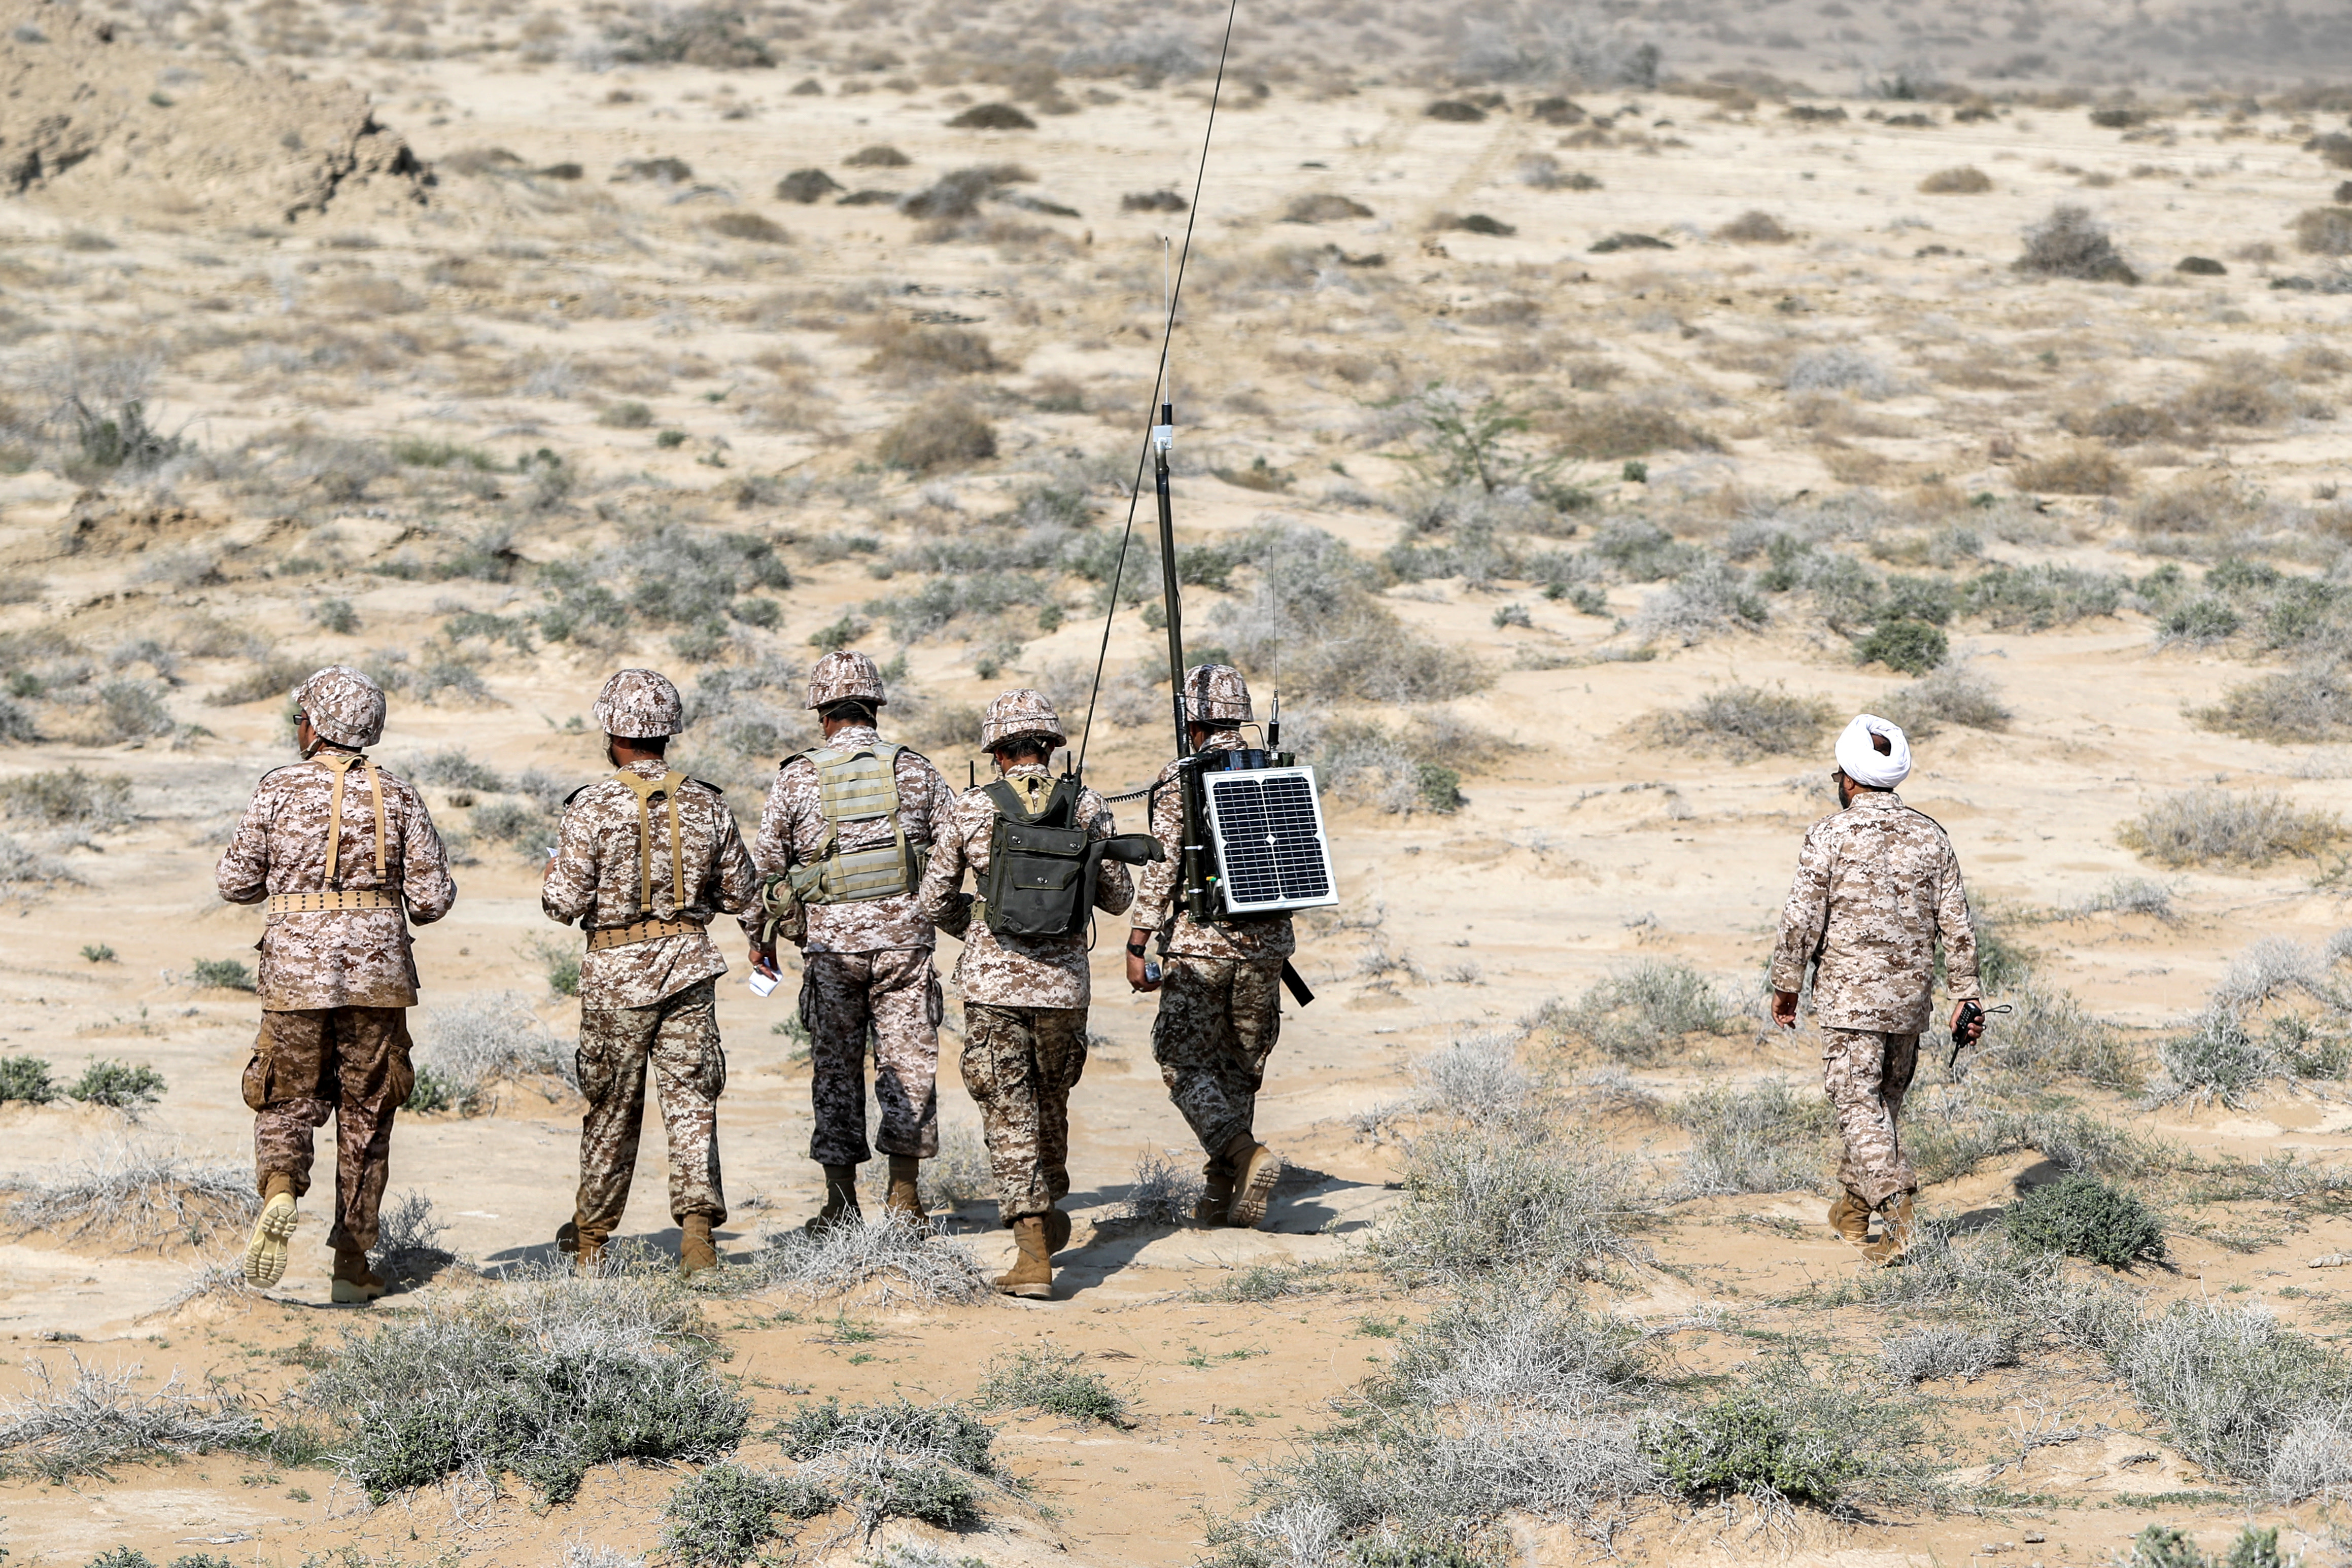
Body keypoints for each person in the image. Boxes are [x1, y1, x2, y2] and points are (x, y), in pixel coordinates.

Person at [216, 666, 457, 1303]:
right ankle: (351, 1262)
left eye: (301, 718)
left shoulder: (277, 789)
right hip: (378, 978)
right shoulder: (399, 795)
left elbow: (235, 882)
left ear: (317, 725)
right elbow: (432, 901)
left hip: (293, 976)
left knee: (285, 1096)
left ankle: (281, 1188)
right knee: (368, 1112)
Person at [918, 689, 1136, 1298]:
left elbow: (933, 899)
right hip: (1065, 987)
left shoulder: (971, 807)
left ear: (996, 752)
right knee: (1050, 1099)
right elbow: (1119, 897)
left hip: (994, 984)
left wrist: (982, 923)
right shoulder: (1086, 803)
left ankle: (1032, 1248)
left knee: (1007, 1111)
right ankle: (1051, 1202)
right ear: (1051, 746)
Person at [541, 669, 759, 1276]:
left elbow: (562, 903)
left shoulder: (591, 805)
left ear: (613, 734)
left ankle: (591, 1242)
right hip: (689, 966)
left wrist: (553, 873)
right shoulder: (707, 802)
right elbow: (743, 893)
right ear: (668, 732)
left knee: (611, 1106)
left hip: (616, 976)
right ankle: (698, 1242)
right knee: (693, 1104)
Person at [746, 650, 957, 1233]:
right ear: (875, 706)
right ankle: (905, 1202)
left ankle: (840, 1206)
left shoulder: (797, 776)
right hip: (905, 946)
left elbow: (765, 871)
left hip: (831, 950)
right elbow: (957, 848)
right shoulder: (915, 769)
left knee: (836, 1071)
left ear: (823, 713)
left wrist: (775, 937)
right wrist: (929, 911)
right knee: (909, 1065)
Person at [1770, 713, 1984, 1265]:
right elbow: (1957, 924)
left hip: (1849, 1003)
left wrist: (1786, 984)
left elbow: (1800, 920)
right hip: (1910, 1004)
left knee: (1857, 1104)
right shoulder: (1932, 836)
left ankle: (1897, 1210)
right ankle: (1852, 1210)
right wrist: (1966, 994)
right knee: (1880, 1105)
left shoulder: (1830, 835)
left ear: (1848, 779)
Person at [1126, 664, 1295, 1230]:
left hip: (1202, 944)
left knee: (1180, 1059)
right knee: (1240, 1066)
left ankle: (1244, 1154)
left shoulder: (1182, 774)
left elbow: (1163, 864)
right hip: (1267, 945)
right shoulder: (1273, 768)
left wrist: (1138, 940)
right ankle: (1221, 1195)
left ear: (1193, 724)